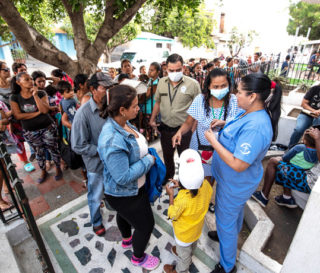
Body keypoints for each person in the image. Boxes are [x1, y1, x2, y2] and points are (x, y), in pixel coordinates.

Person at [204, 73, 281, 273]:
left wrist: (213, 141)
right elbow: (237, 131)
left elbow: (239, 164)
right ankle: (224, 234)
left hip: (235, 181)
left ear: (253, 96)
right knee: (232, 214)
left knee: (226, 219)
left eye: (239, 92)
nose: (234, 95)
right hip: (229, 179)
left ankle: (227, 265)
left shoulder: (257, 127)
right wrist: (224, 125)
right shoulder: (247, 112)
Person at [98, 84, 160, 271]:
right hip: (125, 194)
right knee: (146, 225)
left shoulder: (123, 123)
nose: (138, 108)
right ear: (122, 110)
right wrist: (149, 160)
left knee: (124, 217)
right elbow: (123, 177)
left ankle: (126, 240)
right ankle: (138, 257)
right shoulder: (112, 139)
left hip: (132, 190)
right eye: (134, 106)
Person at [172, 68, 240, 181]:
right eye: (216, 87)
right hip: (200, 148)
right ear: (208, 86)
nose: (220, 89)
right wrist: (180, 132)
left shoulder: (234, 101)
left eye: (223, 86)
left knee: (218, 179)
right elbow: (189, 122)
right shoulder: (200, 100)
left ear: (229, 84)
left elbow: (240, 125)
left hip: (224, 150)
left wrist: (225, 123)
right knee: (202, 180)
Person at [71, 72, 113, 236]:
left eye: (110, 87)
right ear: (93, 89)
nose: (108, 91)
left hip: (113, 161)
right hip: (96, 164)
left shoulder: (110, 106)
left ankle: (111, 203)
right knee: (95, 195)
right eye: (104, 88)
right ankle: (96, 221)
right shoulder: (83, 114)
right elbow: (78, 145)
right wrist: (101, 151)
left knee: (112, 189)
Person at [149, 54, 201, 183]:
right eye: (171, 70)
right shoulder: (161, 82)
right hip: (166, 128)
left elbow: (198, 107)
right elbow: (157, 102)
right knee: (167, 156)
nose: (175, 73)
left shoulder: (193, 84)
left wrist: (193, 128)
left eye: (178, 70)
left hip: (184, 130)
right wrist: (152, 119)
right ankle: (169, 178)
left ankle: (185, 183)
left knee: (185, 158)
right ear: (166, 68)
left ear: (183, 68)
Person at [163, 149, 212, 273]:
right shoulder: (206, 185)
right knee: (191, 247)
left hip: (183, 236)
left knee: (184, 258)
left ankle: (180, 270)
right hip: (196, 230)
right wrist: (182, 185)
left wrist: (170, 195)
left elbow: (172, 215)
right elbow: (196, 188)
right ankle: (185, 254)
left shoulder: (182, 199)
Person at [10, 72, 62, 183]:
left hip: (47, 127)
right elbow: (18, 115)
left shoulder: (41, 93)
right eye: (26, 79)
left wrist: (35, 95)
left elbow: (44, 110)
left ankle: (58, 168)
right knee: (38, 152)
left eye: (30, 79)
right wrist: (37, 113)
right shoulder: (15, 97)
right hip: (30, 131)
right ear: (19, 82)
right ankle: (43, 171)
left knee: (53, 149)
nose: (31, 81)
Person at [252, 129, 319, 208]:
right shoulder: (317, 152)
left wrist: (281, 159)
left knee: (274, 161)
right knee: (288, 168)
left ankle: (263, 196)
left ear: (304, 140)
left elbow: (285, 158)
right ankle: (287, 197)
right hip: (305, 174)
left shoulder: (299, 147)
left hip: (307, 181)